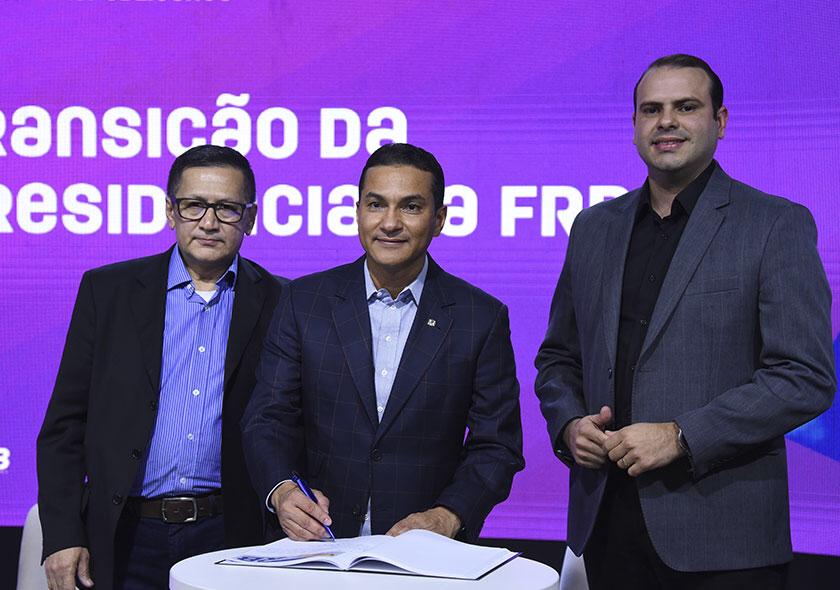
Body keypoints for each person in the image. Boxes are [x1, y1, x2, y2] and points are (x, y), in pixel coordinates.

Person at [535, 54, 835, 589]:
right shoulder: (593, 228)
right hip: (606, 527)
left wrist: (681, 436)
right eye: (651, 109)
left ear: (720, 121)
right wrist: (569, 424)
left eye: (686, 107)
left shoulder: (775, 225)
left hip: (724, 539)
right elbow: (559, 356)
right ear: (634, 125)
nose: (666, 121)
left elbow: (804, 377)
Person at [242, 142, 524, 543]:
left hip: (425, 552)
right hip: (316, 544)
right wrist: (283, 491)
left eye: (410, 207)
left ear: (439, 219)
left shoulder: (480, 317)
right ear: (358, 212)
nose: (390, 223)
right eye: (376, 205)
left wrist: (448, 516)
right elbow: (267, 419)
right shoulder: (303, 302)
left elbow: (497, 445)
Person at [37, 145, 284, 590]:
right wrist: (63, 534)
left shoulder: (284, 301)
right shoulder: (107, 291)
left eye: (227, 208)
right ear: (171, 211)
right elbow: (65, 427)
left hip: (232, 534)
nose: (209, 222)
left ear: (250, 218)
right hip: (126, 534)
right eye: (194, 205)